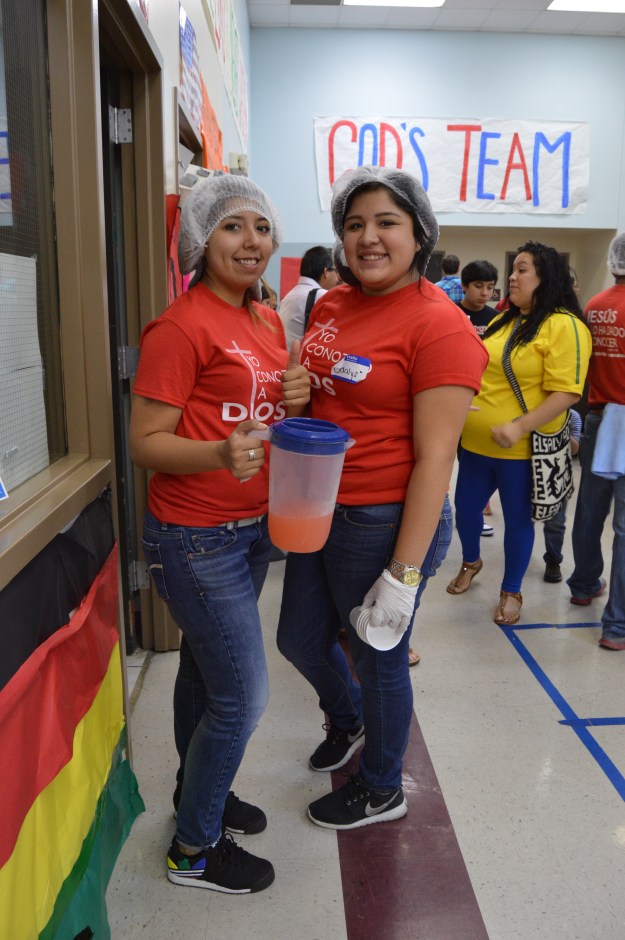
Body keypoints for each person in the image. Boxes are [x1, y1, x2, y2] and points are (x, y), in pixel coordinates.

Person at [277, 166, 487, 831]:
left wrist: (403, 574)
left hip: (382, 518)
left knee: (379, 654)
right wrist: (296, 394)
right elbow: (323, 399)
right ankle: (349, 721)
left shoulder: (441, 326)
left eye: (386, 222)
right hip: (318, 505)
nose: (368, 237)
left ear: (419, 234)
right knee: (298, 639)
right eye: (354, 224)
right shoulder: (331, 305)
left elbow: (436, 460)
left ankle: (381, 786)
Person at [129, 175, 310, 893]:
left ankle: (197, 791)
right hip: (195, 536)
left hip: (249, 532)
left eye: (261, 227)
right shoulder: (180, 327)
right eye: (233, 226)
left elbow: (261, 412)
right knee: (243, 697)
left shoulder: (264, 319)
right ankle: (194, 849)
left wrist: (297, 395)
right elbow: (145, 441)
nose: (251, 240)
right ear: (202, 242)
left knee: (206, 676)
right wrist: (216, 455)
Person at [447, 241, 591, 626]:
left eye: (522, 270)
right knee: (466, 511)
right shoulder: (504, 321)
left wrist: (518, 426)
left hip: (521, 451)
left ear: (546, 277)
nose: (511, 277)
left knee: (517, 522)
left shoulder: (565, 325)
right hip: (475, 445)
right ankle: (471, 562)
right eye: (513, 270)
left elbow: (567, 392)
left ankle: (511, 590)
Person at [567, 233, 625, 650]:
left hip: (598, 417)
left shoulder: (594, 306)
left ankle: (585, 583)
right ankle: (617, 626)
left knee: (589, 510)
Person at [457, 260, 500, 536]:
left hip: (484, 399)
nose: (485, 293)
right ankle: (436, 513)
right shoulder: (451, 313)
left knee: (474, 462)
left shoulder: (497, 319)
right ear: (464, 285)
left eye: (490, 287)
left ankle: (475, 512)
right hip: (453, 395)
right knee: (442, 457)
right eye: (478, 286)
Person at [542, 407, 582, 582]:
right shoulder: (533, 407)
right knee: (522, 521)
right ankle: (519, 557)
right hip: (529, 470)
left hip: (557, 474)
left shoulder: (573, 416)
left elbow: (574, 450)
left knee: (555, 523)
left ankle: (553, 561)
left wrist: (560, 426)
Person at [280, 245, 340, 347]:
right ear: (326, 272)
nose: (337, 278)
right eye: (336, 271)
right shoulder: (322, 296)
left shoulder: (288, 296)